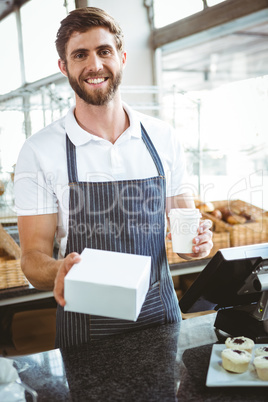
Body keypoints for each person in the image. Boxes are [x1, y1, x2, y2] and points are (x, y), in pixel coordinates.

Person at [14, 7, 213, 348]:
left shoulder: (163, 138)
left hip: (162, 320)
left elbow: (185, 233)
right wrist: (60, 270)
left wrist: (197, 246)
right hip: (85, 332)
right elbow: (32, 259)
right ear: (64, 67)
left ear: (121, 57)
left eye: (104, 51)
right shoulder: (39, 151)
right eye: (80, 55)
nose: (95, 65)